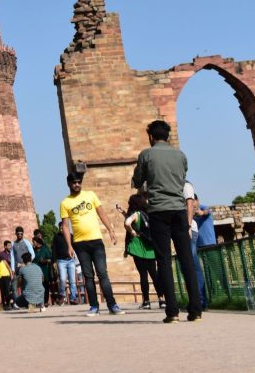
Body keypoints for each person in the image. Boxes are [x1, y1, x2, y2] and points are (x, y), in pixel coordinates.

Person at [131, 121, 202, 323]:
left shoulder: (146, 154)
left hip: (159, 210)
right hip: (179, 209)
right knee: (186, 258)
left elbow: (137, 180)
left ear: (151, 137)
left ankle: (172, 311)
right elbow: (182, 176)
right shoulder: (180, 155)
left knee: (163, 260)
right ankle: (195, 309)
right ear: (168, 136)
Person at [60, 173, 124, 316]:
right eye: (74, 182)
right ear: (69, 184)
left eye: (79, 182)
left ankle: (112, 305)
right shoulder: (65, 203)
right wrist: (69, 246)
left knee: (103, 274)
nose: (77, 184)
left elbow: (101, 213)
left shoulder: (91, 195)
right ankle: (94, 306)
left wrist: (111, 230)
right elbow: (65, 226)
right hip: (80, 243)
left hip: (96, 240)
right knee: (88, 276)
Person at [122, 193, 164, 310]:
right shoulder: (148, 215)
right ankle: (161, 299)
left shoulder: (136, 214)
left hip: (138, 249)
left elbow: (127, 223)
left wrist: (131, 231)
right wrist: (123, 213)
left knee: (143, 275)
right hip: (150, 248)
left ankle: (146, 301)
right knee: (154, 275)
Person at [52, 220, 78, 304]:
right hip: (61, 261)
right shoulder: (56, 237)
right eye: (60, 228)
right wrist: (54, 261)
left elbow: (75, 247)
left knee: (72, 281)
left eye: (62, 228)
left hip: (70, 260)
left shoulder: (71, 236)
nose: (61, 229)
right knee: (62, 279)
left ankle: (73, 298)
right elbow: (54, 250)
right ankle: (62, 295)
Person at [32, 230, 53, 306]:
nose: (33, 243)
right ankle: (38, 302)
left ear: (37, 242)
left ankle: (45, 301)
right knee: (37, 287)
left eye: (34, 241)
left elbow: (50, 258)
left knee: (45, 286)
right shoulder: (33, 250)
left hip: (44, 271)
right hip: (35, 272)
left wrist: (44, 260)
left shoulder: (45, 249)